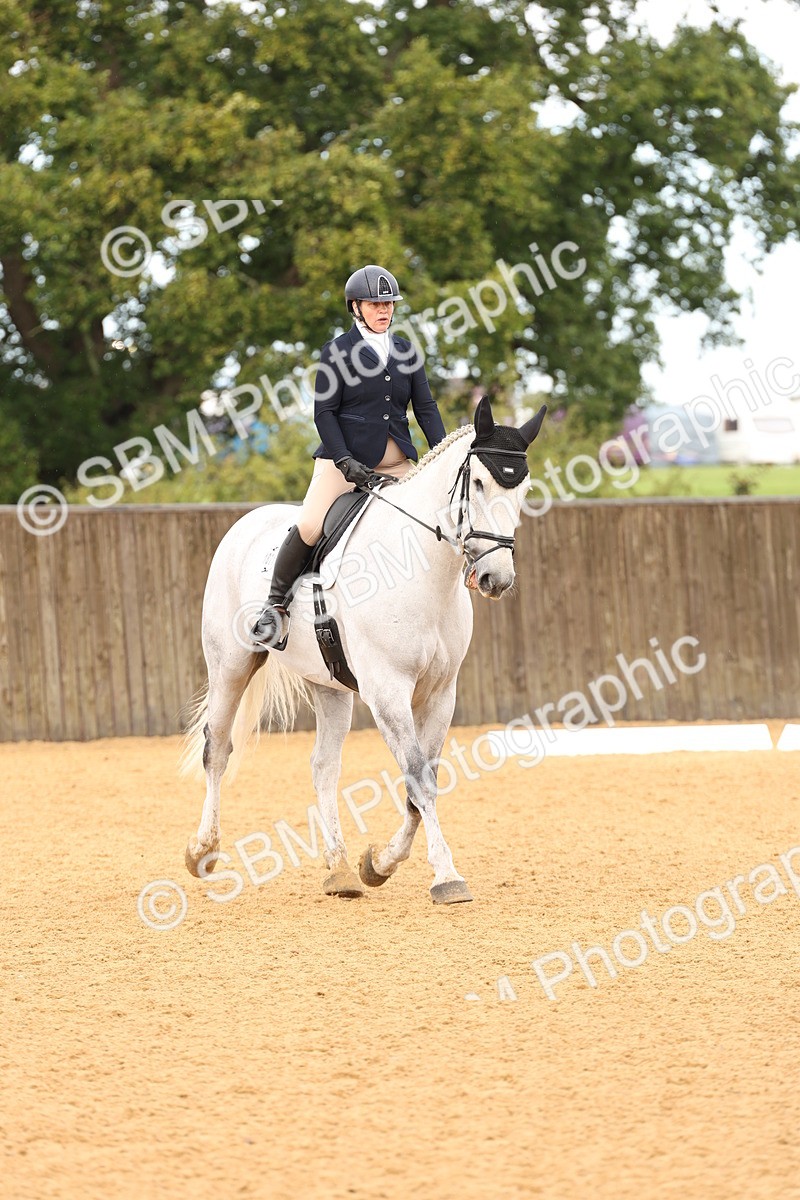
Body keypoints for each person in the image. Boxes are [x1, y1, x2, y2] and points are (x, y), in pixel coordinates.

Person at [252, 263, 447, 648]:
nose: (384, 310)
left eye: (388, 303)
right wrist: (343, 460)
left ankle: (466, 577)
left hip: (396, 461)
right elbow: (323, 413)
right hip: (345, 461)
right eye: (375, 304)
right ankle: (275, 607)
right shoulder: (337, 352)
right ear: (355, 307)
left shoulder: (407, 352)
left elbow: (426, 409)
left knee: (438, 513)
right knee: (309, 525)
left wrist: (440, 455)